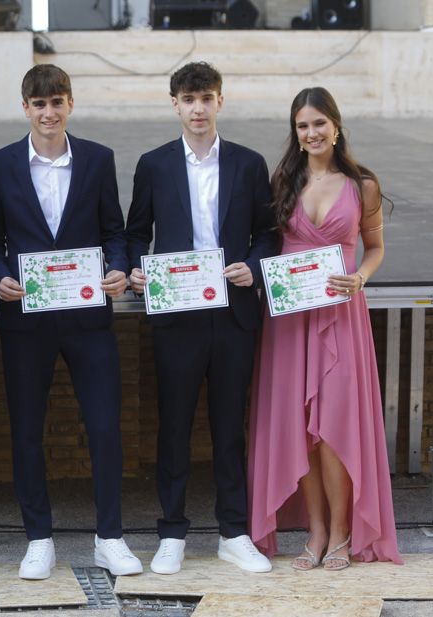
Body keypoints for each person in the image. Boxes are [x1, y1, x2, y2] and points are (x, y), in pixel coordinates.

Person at [0, 64, 141, 580]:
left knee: (103, 427)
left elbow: (114, 231)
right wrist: (0, 275)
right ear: (24, 107)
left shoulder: (98, 159)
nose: (48, 112)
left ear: (70, 104)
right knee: (26, 431)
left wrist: (118, 267)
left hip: (87, 316)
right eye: (39, 103)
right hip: (25, 316)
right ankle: (38, 539)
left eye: (57, 102)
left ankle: (110, 537)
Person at [124, 62, 277, 575]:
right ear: (174, 104)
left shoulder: (249, 164)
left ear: (220, 102)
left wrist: (252, 268)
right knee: (174, 426)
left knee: (230, 427)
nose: (197, 108)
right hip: (177, 313)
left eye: (206, 98)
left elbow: (268, 233)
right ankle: (172, 533)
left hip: (232, 313)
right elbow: (132, 234)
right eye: (188, 99)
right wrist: (133, 271)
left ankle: (235, 532)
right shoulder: (154, 164)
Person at [247, 87, 402, 569]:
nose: (311, 133)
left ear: (336, 126)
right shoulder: (282, 181)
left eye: (319, 123)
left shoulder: (363, 186)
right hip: (290, 320)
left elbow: (374, 248)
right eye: (302, 126)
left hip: (339, 315)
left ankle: (341, 530)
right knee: (298, 429)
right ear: (295, 132)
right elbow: (266, 244)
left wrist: (360, 277)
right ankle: (314, 531)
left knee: (333, 428)